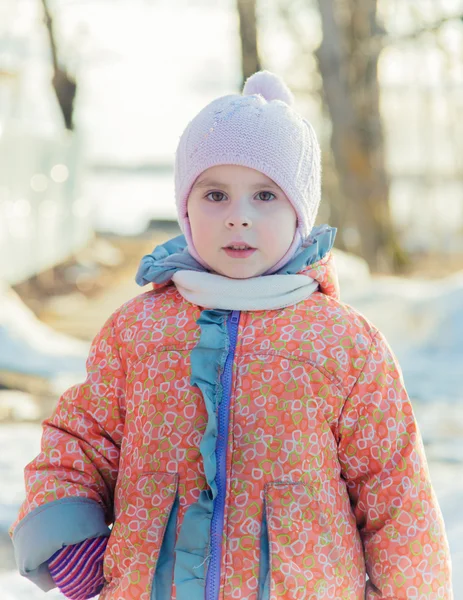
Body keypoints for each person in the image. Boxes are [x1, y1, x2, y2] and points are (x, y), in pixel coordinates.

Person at [10, 71, 453, 600]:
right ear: (186, 208)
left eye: (265, 195)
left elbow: (395, 493)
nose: (238, 218)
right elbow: (80, 441)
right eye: (216, 194)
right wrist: (66, 535)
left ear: (299, 214)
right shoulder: (137, 332)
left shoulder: (344, 345)